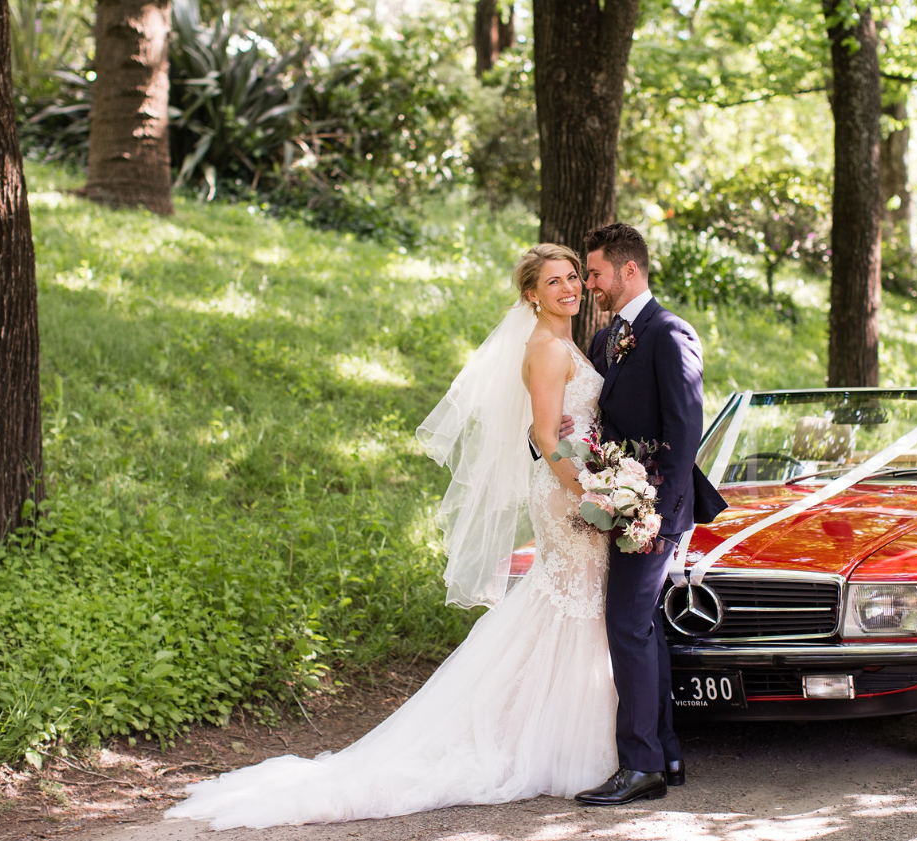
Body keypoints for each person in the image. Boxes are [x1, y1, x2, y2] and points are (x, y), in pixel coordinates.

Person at [164, 244, 618, 829]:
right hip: (566, 494)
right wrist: (587, 494)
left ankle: (548, 730)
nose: (569, 288)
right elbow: (544, 433)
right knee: (570, 604)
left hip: (572, 484)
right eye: (554, 281)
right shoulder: (549, 348)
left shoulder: (562, 343)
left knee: (565, 606)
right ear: (531, 295)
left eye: (573, 277)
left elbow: (563, 427)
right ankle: (552, 742)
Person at [573, 223, 727, 807]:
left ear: (628, 270)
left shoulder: (670, 333)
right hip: (617, 504)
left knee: (628, 625)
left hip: (653, 512)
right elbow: (600, 420)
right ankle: (664, 752)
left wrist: (654, 514)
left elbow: (684, 434)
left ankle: (639, 767)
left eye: (595, 273)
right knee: (644, 628)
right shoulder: (605, 339)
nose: (590, 285)